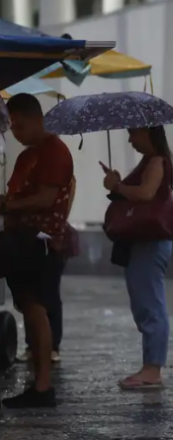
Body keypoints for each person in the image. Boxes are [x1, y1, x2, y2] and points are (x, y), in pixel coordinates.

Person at [0, 93, 74, 408]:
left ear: (37, 119)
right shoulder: (26, 156)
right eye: (11, 127)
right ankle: (39, 384)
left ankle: (43, 385)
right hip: (19, 237)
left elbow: (45, 198)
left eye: (19, 125)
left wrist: (9, 205)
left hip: (39, 241)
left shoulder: (55, 152)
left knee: (37, 308)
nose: (15, 132)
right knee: (28, 306)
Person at [103, 126, 173, 389]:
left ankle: (152, 369)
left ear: (148, 132)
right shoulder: (149, 162)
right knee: (144, 302)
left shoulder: (157, 161)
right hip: (143, 242)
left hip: (149, 241)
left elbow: (146, 194)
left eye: (134, 132)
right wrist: (118, 184)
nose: (130, 139)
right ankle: (149, 366)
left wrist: (118, 186)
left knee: (150, 304)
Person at [17, 177, 76, 365]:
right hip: (30, 237)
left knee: (48, 293)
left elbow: (58, 206)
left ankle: (50, 347)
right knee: (31, 295)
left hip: (51, 239)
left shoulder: (60, 175)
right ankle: (34, 346)